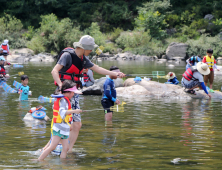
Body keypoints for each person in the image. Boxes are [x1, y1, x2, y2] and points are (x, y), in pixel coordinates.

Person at [51, 35, 125, 152]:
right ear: (84, 48)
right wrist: (61, 85)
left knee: (77, 125)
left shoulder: (84, 59)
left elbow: (98, 69)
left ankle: (68, 150)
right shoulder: (67, 56)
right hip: (64, 94)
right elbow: (54, 71)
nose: (91, 51)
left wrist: (115, 74)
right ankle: (52, 147)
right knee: (63, 124)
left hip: (74, 94)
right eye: (90, 48)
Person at [38, 80, 83, 160]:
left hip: (64, 128)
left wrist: (70, 124)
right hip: (59, 129)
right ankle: (39, 160)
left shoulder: (66, 100)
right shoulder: (63, 100)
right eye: (73, 93)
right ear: (69, 92)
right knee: (52, 146)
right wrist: (75, 111)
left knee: (66, 148)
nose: (73, 94)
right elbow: (62, 112)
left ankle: (63, 164)